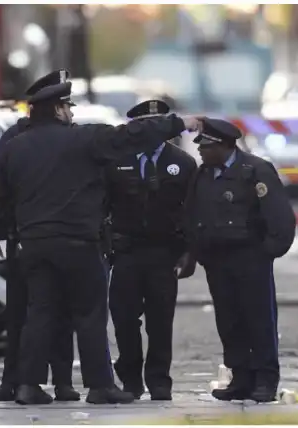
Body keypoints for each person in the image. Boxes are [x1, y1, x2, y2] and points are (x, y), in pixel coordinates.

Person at [0, 77, 203, 405]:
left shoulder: (14, 146)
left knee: (40, 313)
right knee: (89, 313)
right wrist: (179, 123)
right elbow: (132, 134)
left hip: (35, 243)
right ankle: (100, 385)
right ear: (57, 109)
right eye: (67, 107)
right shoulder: (84, 139)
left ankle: (28, 385)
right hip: (78, 242)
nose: (71, 112)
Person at [0, 69, 79, 403]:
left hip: (57, 237)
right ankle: (15, 380)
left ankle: (62, 382)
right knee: (21, 313)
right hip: (23, 237)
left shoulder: (72, 136)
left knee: (61, 313)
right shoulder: (15, 138)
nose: (69, 111)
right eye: (64, 104)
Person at [184, 118, 295, 403]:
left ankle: (265, 379)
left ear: (224, 145)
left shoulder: (255, 170)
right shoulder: (203, 175)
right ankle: (241, 377)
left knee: (258, 319)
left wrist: (267, 252)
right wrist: (196, 253)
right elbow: (193, 214)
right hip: (217, 261)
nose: (201, 151)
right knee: (229, 321)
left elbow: (279, 216)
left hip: (250, 258)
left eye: (206, 146)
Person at [105, 100, 197, 401]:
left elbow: (191, 212)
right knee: (124, 319)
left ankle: (159, 380)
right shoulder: (117, 159)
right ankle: (130, 378)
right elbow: (102, 205)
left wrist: (189, 252)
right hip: (126, 251)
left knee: (161, 321)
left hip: (163, 252)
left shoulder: (182, 163)